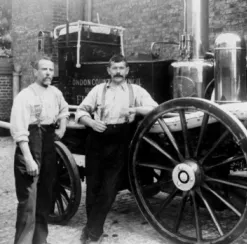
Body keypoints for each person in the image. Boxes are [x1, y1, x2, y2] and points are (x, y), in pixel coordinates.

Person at [75, 54, 158, 244]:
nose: (118, 72)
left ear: (127, 71)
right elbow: (80, 111)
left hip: (120, 140)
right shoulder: (98, 90)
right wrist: (91, 122)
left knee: (110, 187)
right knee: (94, 186)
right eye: (115, 68)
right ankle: (94, 231)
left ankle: (91, 230)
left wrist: (136, 110)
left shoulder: (135, 91)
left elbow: (154, 108)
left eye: (121, 68)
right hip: (97, 138)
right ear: (109, 71)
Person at [10, 57, 69, 244]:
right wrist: (28, 159)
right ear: (35, 71)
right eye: (44, 69)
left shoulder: (55, 93)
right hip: (30, 146)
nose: (48, 73)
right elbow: (19, 131)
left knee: (44, 200)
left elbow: (65, 110)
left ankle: (40, 241)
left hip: (48, 145)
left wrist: (62, 128)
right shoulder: (24, 96)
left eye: (51, 69)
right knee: (28, 203)